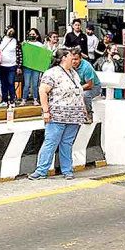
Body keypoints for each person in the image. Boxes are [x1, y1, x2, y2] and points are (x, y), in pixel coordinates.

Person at [27, 49, 87, 181]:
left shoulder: (73, 73)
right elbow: (43, 91)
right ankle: (41, 170)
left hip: (74, 115)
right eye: (71, 56)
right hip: (57, 115)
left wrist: (83, 109)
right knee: (51, 142)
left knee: (67, 143)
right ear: (64, 58)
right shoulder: (52, 73)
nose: (74, 59)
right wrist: (46, 111)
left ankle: (67, 170)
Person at [72, 49, 101, 122]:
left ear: (80, 58)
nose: (73, 62)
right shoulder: (69, 65)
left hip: (94, 87)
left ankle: (89, 115)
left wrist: (77, 89)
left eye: (76, 59)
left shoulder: (86, 67)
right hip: (78, 86)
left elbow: (90, 85)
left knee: (85, 95)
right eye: (72, 59)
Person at [21, 28, 45, 105]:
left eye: (33, 34)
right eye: (30, 34)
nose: (32, 35)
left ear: (37, 35)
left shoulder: (40, 45)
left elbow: (42, 56)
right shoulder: (25, 43)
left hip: (36, 67)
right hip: (27, 67)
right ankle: (24, 99)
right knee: (27, 84)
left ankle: (35, 99)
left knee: (35, 84)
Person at [0, 27, 19, 107]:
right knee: (3, 84)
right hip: (1, 65)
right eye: (10, 31)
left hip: (12, 65)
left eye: (12, 31)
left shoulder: (16, 41)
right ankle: (4, 100)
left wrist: (19, 66)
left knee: (11, 83)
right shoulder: (0, 40)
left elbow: (19, 54)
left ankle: (12, 100)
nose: (11, 32)